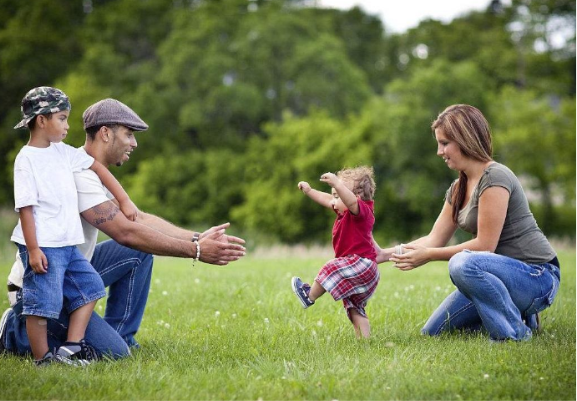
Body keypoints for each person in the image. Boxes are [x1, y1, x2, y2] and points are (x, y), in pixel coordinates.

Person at [1, 98, 246, 360]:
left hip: (69, 269)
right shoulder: (76, 173)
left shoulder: (91, 169)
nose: (134, 143)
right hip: (41, 280)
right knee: (112, 353)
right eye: (129, 134)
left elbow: (137, 219)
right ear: (105, 133)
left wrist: (197, 237)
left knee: (138, 255)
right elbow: (125, 232)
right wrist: (196, 251)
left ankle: (121, 336)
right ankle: (13, 331)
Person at [380, 104, 560, 342]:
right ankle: (520, 315)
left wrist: (430, 255)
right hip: (495, 281)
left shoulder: (496, 177)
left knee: (462, 263)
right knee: (434, 332)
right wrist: (383, 255)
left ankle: (515, 333)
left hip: (536, 276)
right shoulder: (458, 188)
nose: (439, 151)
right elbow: (433, 239)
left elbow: (485, 246)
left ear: (464, 139)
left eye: (444, 143)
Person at [11, 87, 139, 366]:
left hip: (68, 246)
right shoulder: (26, 160)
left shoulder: (63, 153)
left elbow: (98, 168)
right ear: (41, 120)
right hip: (44, 245)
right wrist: (33, 249)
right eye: (62, 118)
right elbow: (26, 209)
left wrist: (124, 200)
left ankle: (72, 347)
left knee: (91, 286)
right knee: (43, 303)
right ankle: (39, 355)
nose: (69, 126)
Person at [291, 166, 379, 338]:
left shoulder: (362, 212)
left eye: (338, 195)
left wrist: (338, 183)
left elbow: (351, 202)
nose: (333, 201)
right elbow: (327, 199)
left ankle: (309, 295)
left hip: (361, 264)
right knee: (354, 307)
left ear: (356, 197)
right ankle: (364, 341)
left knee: (332, 267)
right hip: (362, 269)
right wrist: (309, 191)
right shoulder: (344, 211)